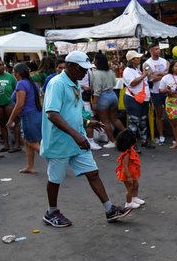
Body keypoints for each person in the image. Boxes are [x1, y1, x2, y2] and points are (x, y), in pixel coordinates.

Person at [40, 51, 131, 227]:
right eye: (82, 69)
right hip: (60, 141)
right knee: (55, 179)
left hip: (77, 140)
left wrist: (88, 122)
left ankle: (110, 209)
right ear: (70, 66)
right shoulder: (57, 84)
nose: (84, 73)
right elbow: (52, 114)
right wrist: (76, 134)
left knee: (93, 173)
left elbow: (69, 112)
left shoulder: (74, 83)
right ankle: (51, 212)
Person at [6, 63, 42, 174]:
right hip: (36, 115)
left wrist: (10, 120)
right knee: (29, 142)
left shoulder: (21, 84)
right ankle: (30, 166)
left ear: (17, 73)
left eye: (13, 72)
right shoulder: (32, 84)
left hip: (28, 116)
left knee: (29, 141)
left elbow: (20, 104)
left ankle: (54, 158)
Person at [92, 52, 124, 148]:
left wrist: (94, 102)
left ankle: (112, 141)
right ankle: (128, 134)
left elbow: (97, 90)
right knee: (114, 119)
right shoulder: (110, 72)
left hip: (103, 97)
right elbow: (114, 83)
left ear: (97, 61)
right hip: (113, 95)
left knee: (105, 121)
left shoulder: (97, 73)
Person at [122, 50, 153, 150]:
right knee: (134, 122)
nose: (139, 59)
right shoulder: (127, 71)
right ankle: (131, 145)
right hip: (133, 99)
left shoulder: (137, 70)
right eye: (137, 58)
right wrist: (144, 75)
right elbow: (133, 83)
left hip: (143, 99)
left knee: (143, 121)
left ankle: (144, 141)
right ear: (131, 60)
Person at [144, 42, 169, 145]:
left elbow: (170, 73)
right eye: (156, 49)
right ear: (151, 51)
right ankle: (161, 135)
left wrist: (157, 74)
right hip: (156, 92)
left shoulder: (165, 61)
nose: (158, 51)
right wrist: (164, 75)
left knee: (172, 113)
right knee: (158, 114)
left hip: (167, 90)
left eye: (159, 49)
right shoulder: (146, 63)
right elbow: (150, 78)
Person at [115, 129, 145, 210]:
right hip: (127, 174)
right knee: (130, 188)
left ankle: (134, 198)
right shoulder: (126, 154)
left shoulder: (131, 150)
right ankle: (128, 203)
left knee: (136, 185)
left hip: (132, 173)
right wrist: (129, 177)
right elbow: (125, 166)